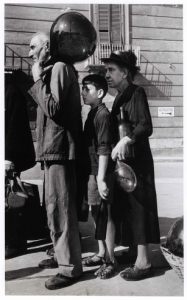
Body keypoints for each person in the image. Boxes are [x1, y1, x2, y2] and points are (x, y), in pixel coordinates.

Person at [28, 32, 83, 290]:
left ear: (47, 47)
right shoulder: (55, 68)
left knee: (60, 209)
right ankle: (62, 257)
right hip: (53, 151)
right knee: (54, 209)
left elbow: (54, 110)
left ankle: (69, 268)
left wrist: (37, 79)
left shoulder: (59, 68)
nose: (29, 53)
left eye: (33, 47)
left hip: (60, 150)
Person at [101, 50, 160, 281]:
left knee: (139, 210)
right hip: (126, 163)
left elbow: (145, 126)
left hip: (138, 163)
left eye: (111, 70)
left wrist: (126, 140)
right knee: (129, 209)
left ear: (125, 72)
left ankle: (144, 263)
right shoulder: (119, 96)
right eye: (106, 70)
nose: (107, 74)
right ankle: (136, 251)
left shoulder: (137, 92)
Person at [81, 74, 117, 279]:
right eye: (83, 88)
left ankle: (111, 260)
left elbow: (104, 148)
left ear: (101, 93)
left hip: (101, 172)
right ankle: (102, 252)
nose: (83, 92)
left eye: (88, 89)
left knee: (106, 216)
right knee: (96, 213)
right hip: (93, 171)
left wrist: (102, 178)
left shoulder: (102, 115)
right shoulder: (92, 113)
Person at [5, 72, 36, 259]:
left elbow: (14, 127)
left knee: (11, 201)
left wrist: (8, 157)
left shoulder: (11, 92)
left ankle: (15, 243)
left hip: (7, 157)